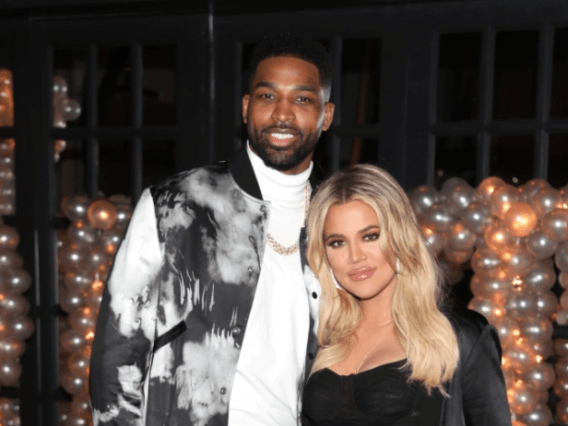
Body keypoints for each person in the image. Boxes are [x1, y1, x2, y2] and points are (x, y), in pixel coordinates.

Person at [89, 34, 335, 426]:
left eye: (302, 99)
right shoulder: (175, 205)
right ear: (246, 107)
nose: (282, 114)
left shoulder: (337, 221)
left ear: (327, 115)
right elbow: (117, 354)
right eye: (267, 96)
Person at [301, 164, 511, 426]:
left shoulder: (461, 336)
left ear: (399, 236)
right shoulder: (320, 337)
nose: (355, 256)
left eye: (370, 236)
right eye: (337, 243)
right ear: (324, 254)